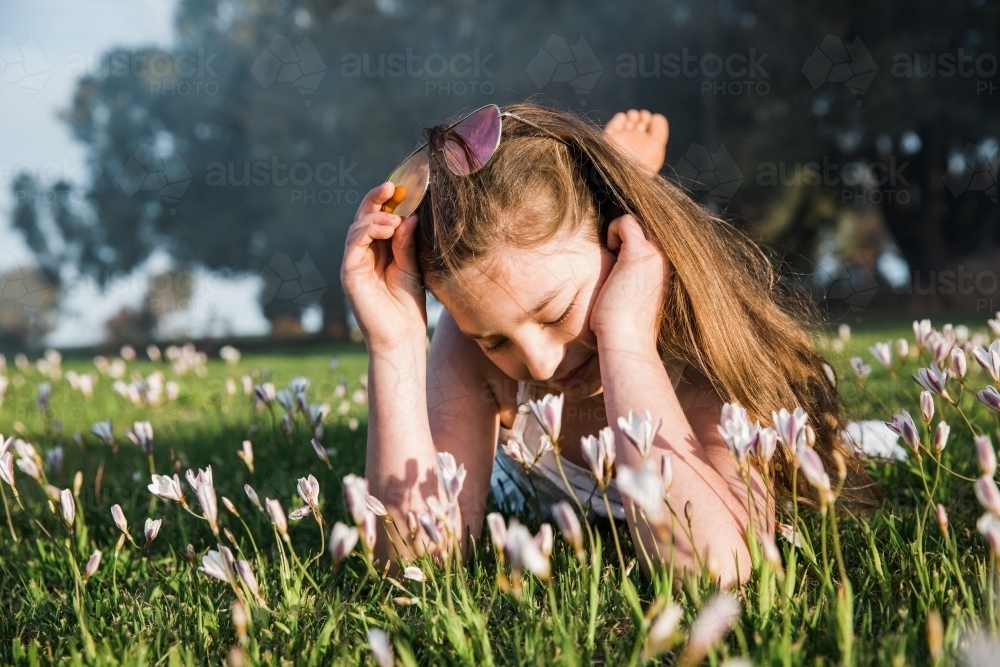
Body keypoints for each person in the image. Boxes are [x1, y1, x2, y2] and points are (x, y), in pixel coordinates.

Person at [340, 102, 880, 586]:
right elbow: (416, 562)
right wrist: (396, 343)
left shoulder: (701, 369)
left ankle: (627, 179)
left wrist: (626, 340)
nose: (539, 364)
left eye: (556, 311)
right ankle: (618, 174)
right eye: (496, 340)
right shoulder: (469, 338)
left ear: (623, 245)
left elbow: (721, 569)